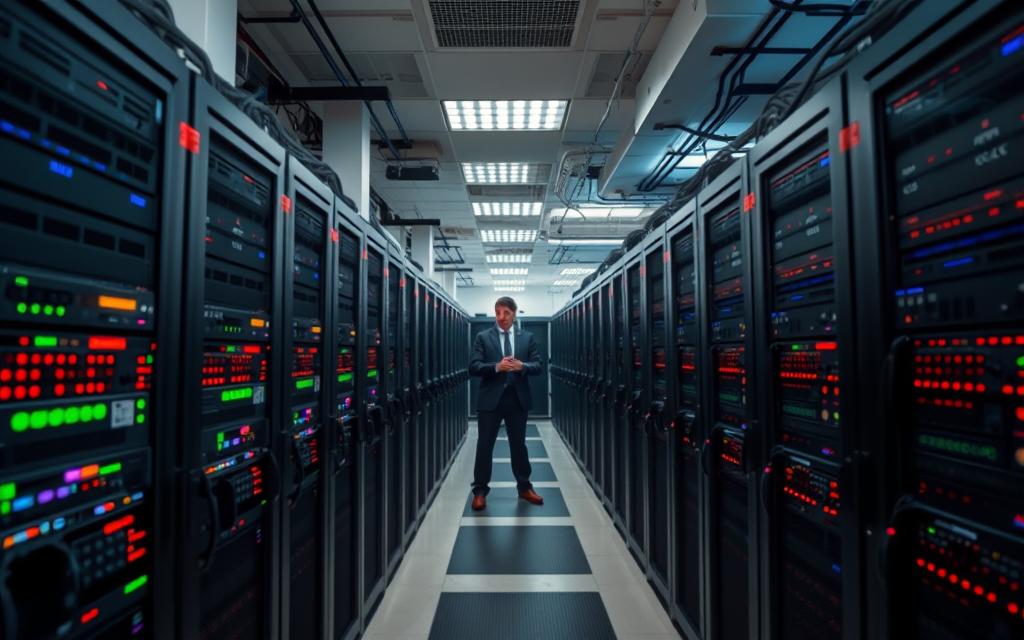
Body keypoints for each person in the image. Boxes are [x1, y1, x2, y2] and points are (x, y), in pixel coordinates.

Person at [468, 296, 545, 510]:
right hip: (490, 400)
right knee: (484, 446)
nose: (501, 317)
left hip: (516, 399)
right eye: (498, 312)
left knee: (518, 446)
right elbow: (473, 366)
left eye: (506, 313)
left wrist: (523, 366)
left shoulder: (527, 338)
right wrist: (495, 367)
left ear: (514, 313)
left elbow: (538, 365)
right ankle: (480, 491)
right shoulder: (483, 337)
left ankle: (524, 488)